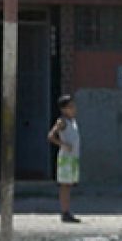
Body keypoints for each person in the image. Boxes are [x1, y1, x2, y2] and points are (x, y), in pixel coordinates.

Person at [47, 94, 81, 223]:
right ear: (64, 109)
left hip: (73, 158)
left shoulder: (73, 121)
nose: (73, 109)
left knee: (69, 185)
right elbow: (51, 136)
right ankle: (64, 211)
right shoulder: (62, 121)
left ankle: (67, 210)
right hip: (66, 158)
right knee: (65, 186)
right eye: (70, 107)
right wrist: (63, 144)